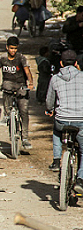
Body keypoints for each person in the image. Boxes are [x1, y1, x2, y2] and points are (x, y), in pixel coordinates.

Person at [45, 50, 83, 182]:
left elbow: (49, 101)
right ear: (76, 63)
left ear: (61, 63)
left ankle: (56, 160)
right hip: (81, 121)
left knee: (56, 131)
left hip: (62, 120)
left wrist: (49, 109)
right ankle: (80, 179)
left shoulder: (55, 78)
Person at [0, 36, 34, 149]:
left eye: (15, 48)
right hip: (8, 84)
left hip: (21, 85)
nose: (13, 51)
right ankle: (7, 114)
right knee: (5, 88)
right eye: (11, 48)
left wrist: (30, 82)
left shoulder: (21, 58)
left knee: (24, 111)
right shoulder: (2, 59)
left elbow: (27, 71)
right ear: (7, 47)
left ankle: (25, 138)